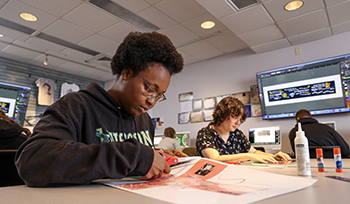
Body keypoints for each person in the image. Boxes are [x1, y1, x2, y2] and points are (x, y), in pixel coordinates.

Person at [15, 31, 184, 187]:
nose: (152, 102)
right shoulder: (76, 106)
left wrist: (160, 156)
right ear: (126, 73)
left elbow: (136, 162)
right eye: (149, 89)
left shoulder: (144, 120)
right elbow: (32, 159)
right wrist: (133, 155)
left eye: (159, 95)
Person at [196, 97, 291, 163]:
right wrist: (248, 156)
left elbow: (254, 152)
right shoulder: (205, 133)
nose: (238, 123)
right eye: (234, 118)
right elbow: (215, 158)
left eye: (240, 120)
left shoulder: (237, 134)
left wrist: (273, 156)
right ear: (222, 115)